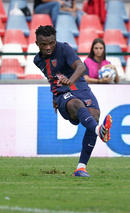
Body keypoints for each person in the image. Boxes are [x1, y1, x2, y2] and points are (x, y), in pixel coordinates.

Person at [33, 25, 112, 177]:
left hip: (79, 85)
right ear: (37, 44)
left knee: (94, 115)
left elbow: (81, 67)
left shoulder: (64, 48)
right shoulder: (38, 60)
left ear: (55, 40)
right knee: (76, 104)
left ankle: (81, 168)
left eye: (51, 43)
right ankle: (99, 131)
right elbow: (51, 78)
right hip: (62, 92)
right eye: (44, 44)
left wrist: (70, 80)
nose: (48, 47)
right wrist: (54, 97)